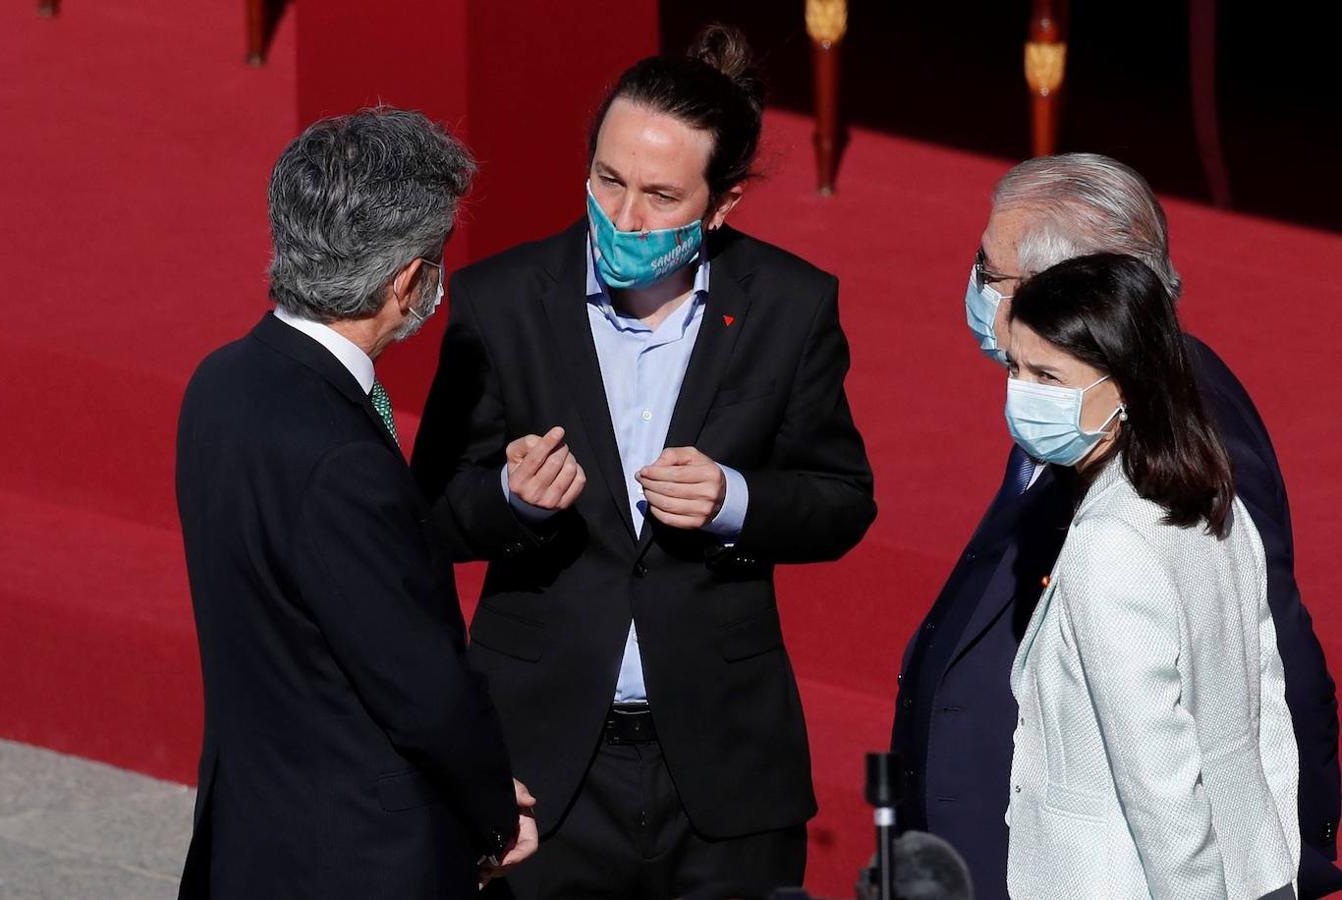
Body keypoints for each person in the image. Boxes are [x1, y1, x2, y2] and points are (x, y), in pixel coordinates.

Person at [412, 25, 876, 899]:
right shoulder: (501, 300)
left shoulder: (790, 306)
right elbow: (430, 511)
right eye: (608, 180)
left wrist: (736, 499)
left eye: (661, 195)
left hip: (723, 768)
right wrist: (512, 496)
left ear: (723, 204)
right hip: (541, 769)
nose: (624, 217)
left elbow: (844, 499)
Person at [891, 152, 1342, 899]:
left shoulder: (1175, 436)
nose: (975, 287)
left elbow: (1259, 653)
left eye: (990, 271)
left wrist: (1290, 856)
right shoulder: (1078, 404)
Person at [175, 108, 534, 899]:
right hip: (357, 857)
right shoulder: (343, 461)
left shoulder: (217, 384)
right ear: (406, 280)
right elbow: (418, 685)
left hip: (253, 833)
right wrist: (494, 813)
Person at [1002, 253, 1298, 897]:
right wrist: (1274, 864)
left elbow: (1156, 776)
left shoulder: (1110, 542)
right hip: (1253, 867)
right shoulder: (1216, 505)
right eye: (1015, 369)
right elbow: (1267, 708)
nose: (1022, 393)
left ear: (1128, 386)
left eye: (1049, 377)